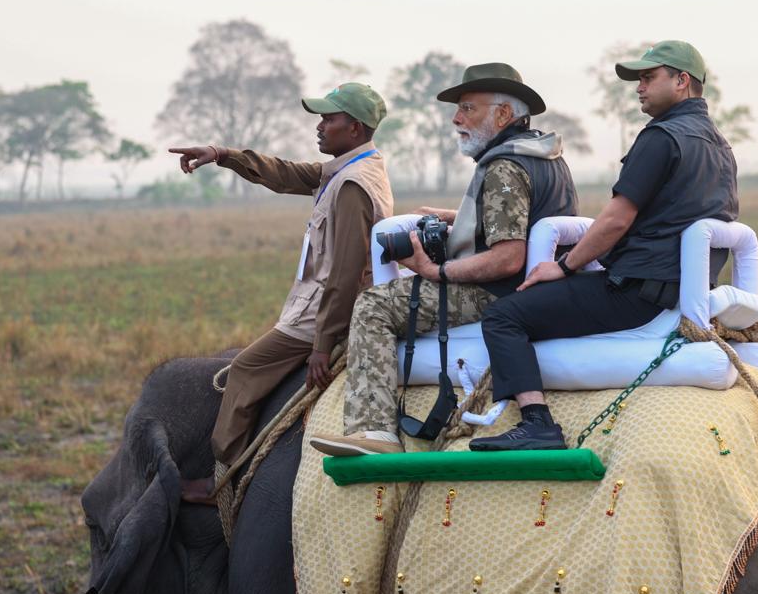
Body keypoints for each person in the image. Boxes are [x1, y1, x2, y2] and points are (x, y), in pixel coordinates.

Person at [469, 40, 740, 452]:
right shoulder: (719, 145)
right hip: (679, 288)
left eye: (649, 78)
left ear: (682, 81)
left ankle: (537, 423)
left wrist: (565, 266)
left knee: (505, 316)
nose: (639, 88)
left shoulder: (662, 137)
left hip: (637, 291)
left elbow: (616, 219)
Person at [309, 63, 578, 457]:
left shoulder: (504, 166)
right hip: (536, 288)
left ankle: (374, 432)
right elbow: (519, 222)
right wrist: (466, 219)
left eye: (468, 108)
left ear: (503, 114)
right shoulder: (545, 154)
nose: (456, 118)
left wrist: (437, 270)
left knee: (374, 304)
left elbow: (507, 258)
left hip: (499, 291)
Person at [169, 83, 394, 495]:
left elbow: (344, 276)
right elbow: (285, 173)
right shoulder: (348, 169)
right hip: (314, 307)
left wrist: (322, 345)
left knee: (246, 368)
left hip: (320, 317)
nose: (320, 126)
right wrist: (222, 155)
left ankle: (225, 478)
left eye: (330, 118)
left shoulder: (352, 186)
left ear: (356, 129)